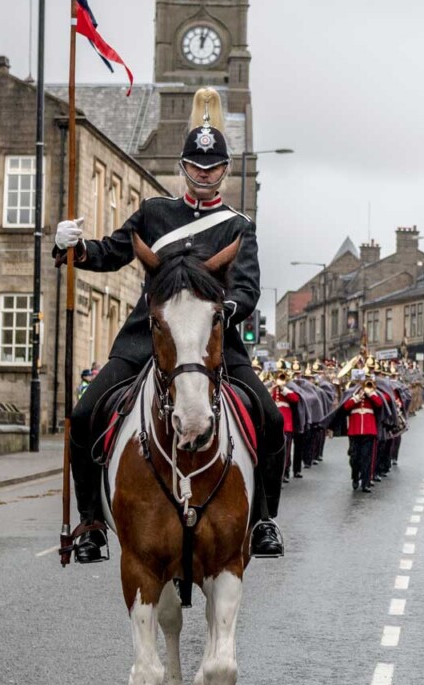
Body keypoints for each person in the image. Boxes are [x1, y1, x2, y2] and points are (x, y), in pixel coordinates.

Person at [53, 87, 285, 563]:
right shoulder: (155, 214)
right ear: (183, 168)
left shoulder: (238, 227)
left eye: (213, 168)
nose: (204, 176)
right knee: (82, 415)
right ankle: (92, 521)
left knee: (270, 417)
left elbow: (246, 290)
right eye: (196, 168)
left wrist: (218, 317)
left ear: (224, 170)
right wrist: (72, 247)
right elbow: (112, 252)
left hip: (214, 344)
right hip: (148, 337)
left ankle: (263, 519)